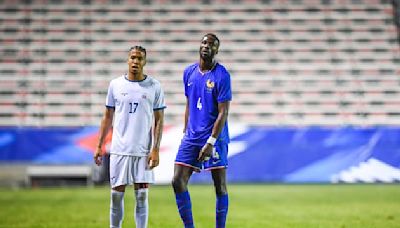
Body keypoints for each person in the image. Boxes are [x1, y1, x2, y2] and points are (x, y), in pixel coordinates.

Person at [94, 46, 166, 228]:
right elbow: (107, 117)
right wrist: (99, 145)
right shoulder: (115, 85)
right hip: (119, 150)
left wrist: (155, 149)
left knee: (142, 196)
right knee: (116, 196)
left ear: (145, 62)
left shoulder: (154, 86)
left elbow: (159, 120)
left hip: (143, 150)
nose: (135, 61)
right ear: (128, 60)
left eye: (139, 58)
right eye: (133, 57)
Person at [172, 33, 232, 228]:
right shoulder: (188, 72)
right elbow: (189, 103)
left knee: (220, 187)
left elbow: (223, 113)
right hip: (191, 136)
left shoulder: (222, 75)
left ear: (217, 50)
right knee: (177, 181)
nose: (207, 46)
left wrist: (211, 142)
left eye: (212, 44)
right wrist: (185, 130)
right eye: (204, 42)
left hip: (214, 139)